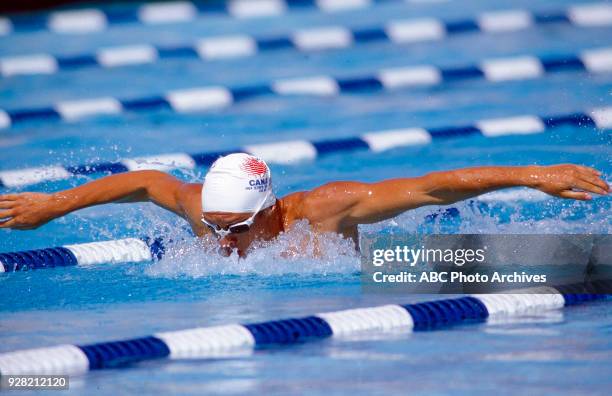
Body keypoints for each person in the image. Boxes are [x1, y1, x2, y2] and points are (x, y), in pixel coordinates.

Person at [0, 153, 608, 257]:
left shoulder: (325, 210)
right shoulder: (205, 210)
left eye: (235, 226)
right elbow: (143, 181)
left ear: (268, 211)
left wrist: (533, 175)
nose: (222, 241)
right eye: (214, 226)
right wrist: (52, 207)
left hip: (372, 277)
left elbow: (434, 186)